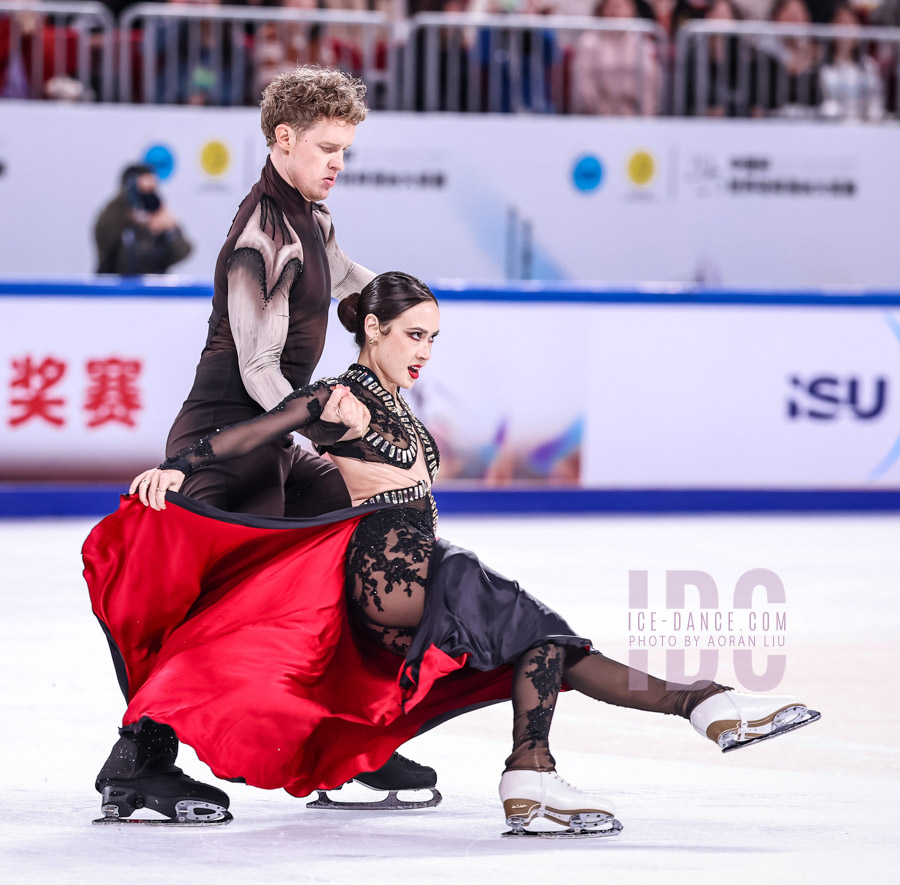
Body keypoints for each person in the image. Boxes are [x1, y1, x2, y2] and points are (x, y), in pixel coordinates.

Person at [85, 272, 820, 835]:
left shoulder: (396, 401)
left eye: (433, 338)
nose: (424, 352)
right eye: (413, 335)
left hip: (417, 564)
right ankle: (680, 714)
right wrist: (179, 466)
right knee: (538, 629)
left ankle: (582, 754)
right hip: (391, 568)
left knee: (544, 642)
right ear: (373, 329)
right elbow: (257, 431)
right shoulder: (341, 399)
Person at [93, 67, 437, 823]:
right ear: (284, 139)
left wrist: (410, 311)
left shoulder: (313, 216)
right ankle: (139, 759)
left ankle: (350, 737)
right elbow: (257, 369)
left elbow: (352, 282)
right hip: (226, 438)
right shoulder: (260, 239)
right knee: (220, 606)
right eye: (327, 148)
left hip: (274, 438)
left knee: (359, 534)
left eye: (345, 150)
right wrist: (323, 424)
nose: (338, 163)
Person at [94, 164, 193, 275]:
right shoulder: (114, 217)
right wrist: (131, 192)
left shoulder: (156, 222)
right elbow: (103, 236)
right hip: (115, 285)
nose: (147, 194)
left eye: (152, 190)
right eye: (143, 190)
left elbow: (183, 252)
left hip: (153, 285)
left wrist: (172, 229)